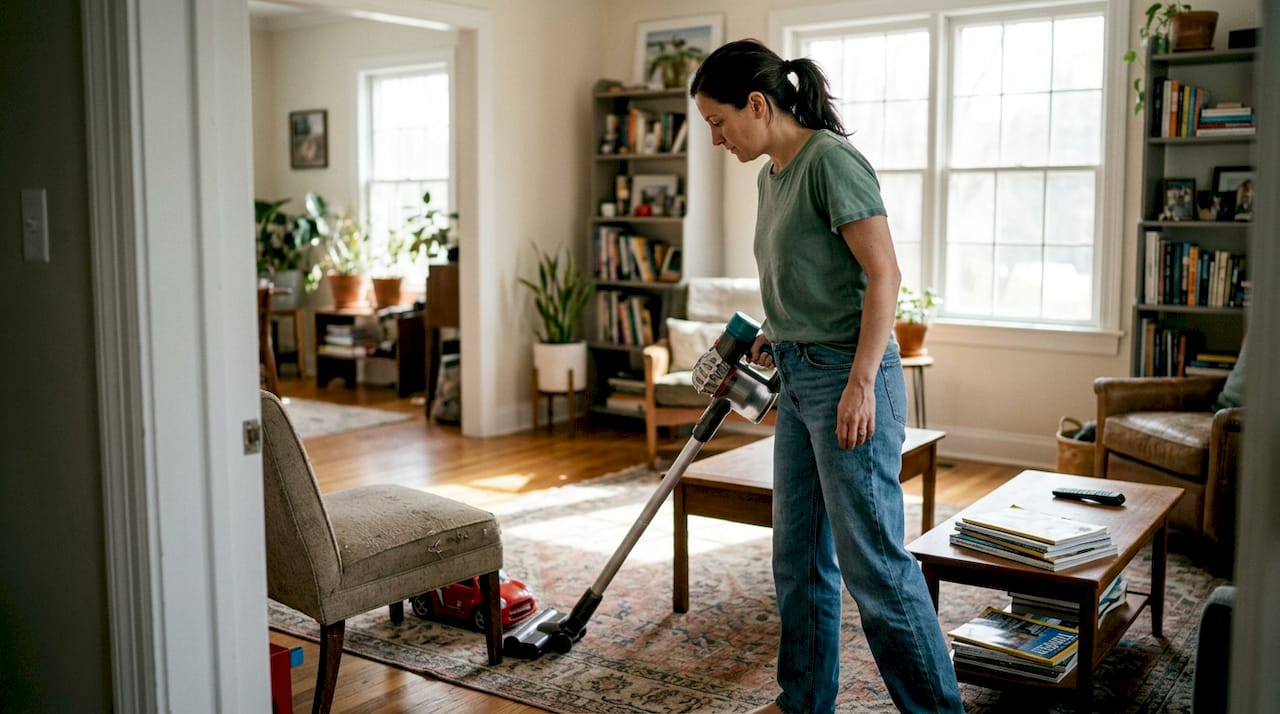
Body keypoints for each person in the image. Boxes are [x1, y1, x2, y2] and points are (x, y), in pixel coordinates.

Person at [689, 39, 965, 714]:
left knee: (873, 565)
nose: (718, 139)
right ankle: (804, 700)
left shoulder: (830, 162)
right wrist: (774, 335)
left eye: (720, 122)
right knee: (798, 558)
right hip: (798, 376)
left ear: (757, 104)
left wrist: (863, 383)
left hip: (850, 380)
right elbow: (809, 279)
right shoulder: (771, 176)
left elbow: (884, 276)